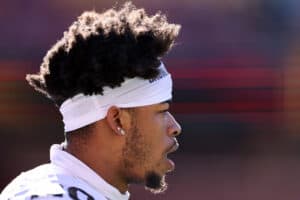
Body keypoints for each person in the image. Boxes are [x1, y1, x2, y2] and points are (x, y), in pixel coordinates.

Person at [0, 2, 181, 200]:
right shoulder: (50, 196)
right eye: (161, 111)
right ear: (118, 120)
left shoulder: (42, 186)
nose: (175, 127)